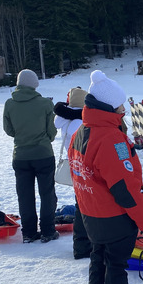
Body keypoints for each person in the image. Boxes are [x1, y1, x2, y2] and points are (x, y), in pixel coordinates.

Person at [69, 70, 143, 284]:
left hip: (91, 214)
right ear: (109, 106)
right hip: (113, 216)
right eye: (121, 105)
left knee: (98, 258)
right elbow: (124, 188)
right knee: (115, 265)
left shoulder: (82, 132)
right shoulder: (110, 138)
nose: (124, 110)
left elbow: (77, 175)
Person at [3, 69, 58, 243]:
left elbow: (8, 129)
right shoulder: (45, 104)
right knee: (47, 193)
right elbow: (52, 130)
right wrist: (44, 139)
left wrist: (22, 137)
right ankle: (48, 231)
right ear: (34, 84)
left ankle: (28, 232)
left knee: (25, 195)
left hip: (20, 155)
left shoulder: (10, 103)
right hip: (43, 153)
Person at [54, 87, 92, 259]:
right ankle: (84, 246)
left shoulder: (62, 119)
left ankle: (80, 246)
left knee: (80, 203)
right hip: (83, 166)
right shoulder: (81, 121)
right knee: (84, 206)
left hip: (72, 164)